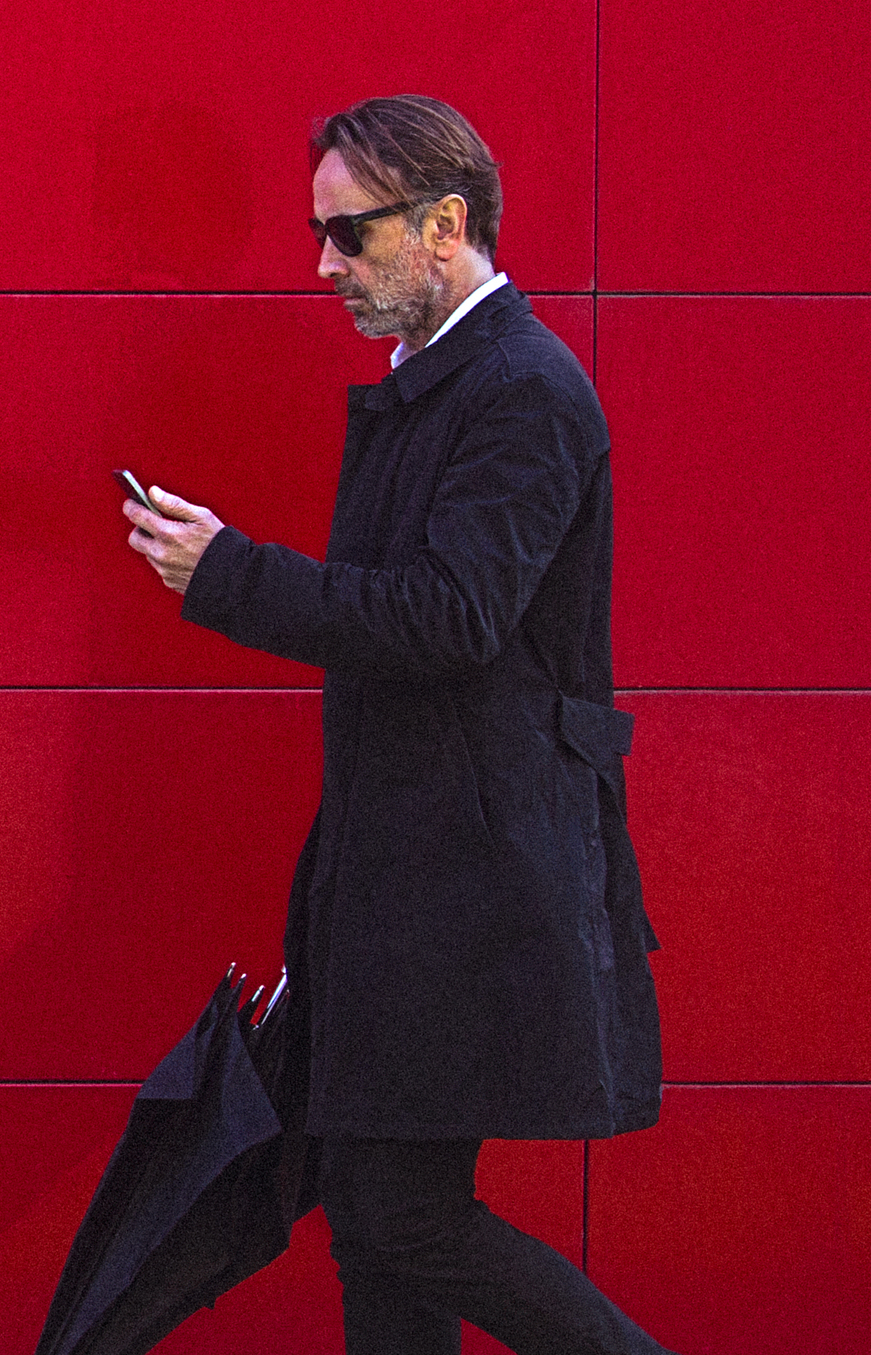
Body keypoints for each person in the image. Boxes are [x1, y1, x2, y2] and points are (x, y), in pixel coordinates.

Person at [121, 95, 673, 1354]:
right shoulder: (444, 384)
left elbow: (448, 617)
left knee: (397, 1216)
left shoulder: (523, 391)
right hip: (414, 883)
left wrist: (231, 576)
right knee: (383, 1229)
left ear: (445, 224)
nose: (325, 264)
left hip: (468, 892)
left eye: (350, 235)